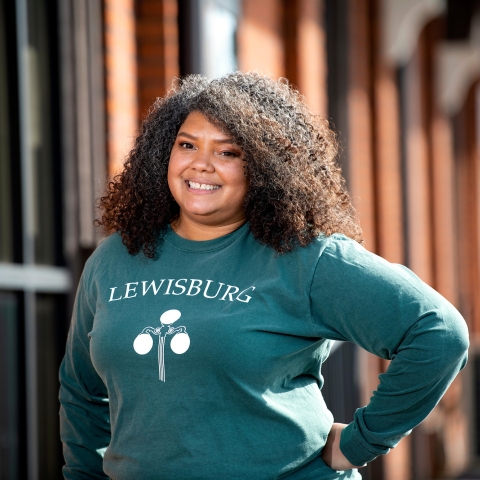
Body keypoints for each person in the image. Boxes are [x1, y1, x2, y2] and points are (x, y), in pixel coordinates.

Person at [59, 72, 469, 480]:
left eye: (228, 153)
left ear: (265, 167)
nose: (200, 164)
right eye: (186, 145)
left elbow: (439, 333)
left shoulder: (305, 258)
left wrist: (360, 443)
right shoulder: (117, 256)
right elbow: (81, 390)